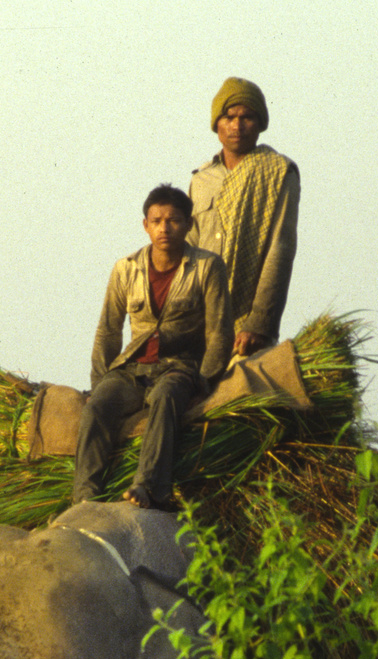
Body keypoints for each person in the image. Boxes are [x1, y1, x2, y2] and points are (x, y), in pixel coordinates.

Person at [72, 184, 233, 511]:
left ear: (189, 224)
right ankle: (85, 498)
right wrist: (98, 381)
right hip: (131, 369)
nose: (164, 228)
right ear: (145, 225)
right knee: (96, 408)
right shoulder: (126, 268)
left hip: (179, 367)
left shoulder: (207, 267)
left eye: (173, 220)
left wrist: (205, 381)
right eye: (157, 220)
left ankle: (148, 487)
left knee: (165, 399)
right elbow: (108, 330)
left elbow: (220, 333)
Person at [188, 77, 299, 358]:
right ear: (217, 124)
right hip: (197, 324)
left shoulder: (279, 171)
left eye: (247, 117)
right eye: (229, 117)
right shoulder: (201, 179)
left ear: (260, 123)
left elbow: (280, 250)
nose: (237, 126)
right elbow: (184, 252)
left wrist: (259, 324)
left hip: (245, 330)